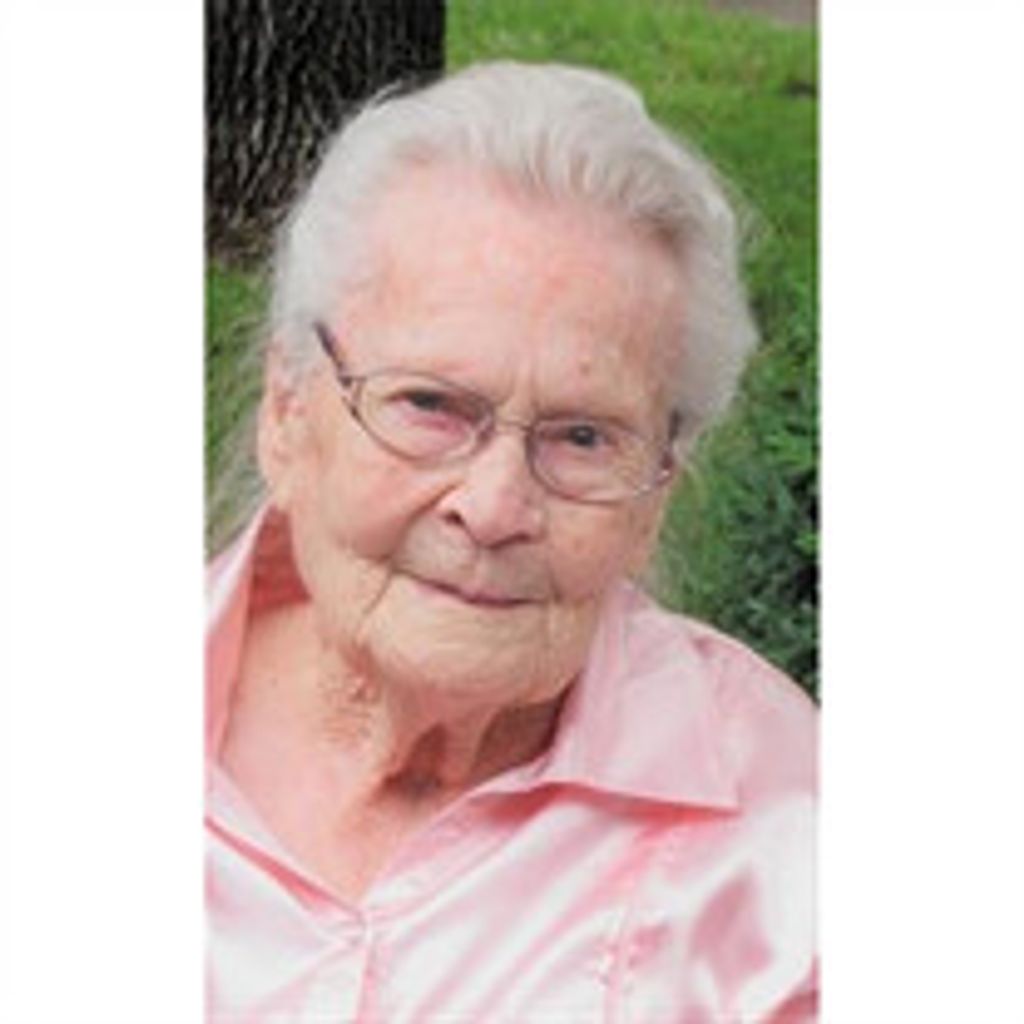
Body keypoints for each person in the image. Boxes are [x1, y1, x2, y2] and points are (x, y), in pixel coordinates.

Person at [206, 61, 817, 1022]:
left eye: (583, 437)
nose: (493, 508)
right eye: (429, 405)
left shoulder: (787, 827)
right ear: (287, 413)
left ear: (658, 493)